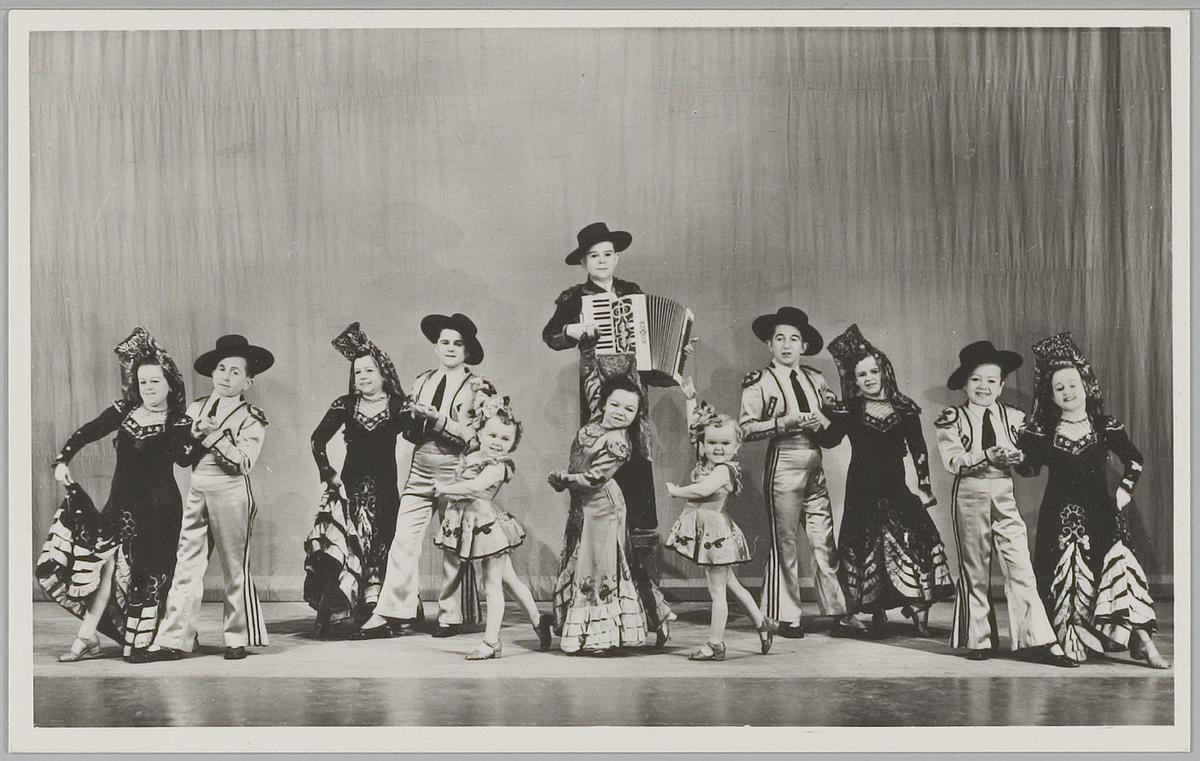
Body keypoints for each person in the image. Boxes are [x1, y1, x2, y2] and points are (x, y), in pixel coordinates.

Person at [541, 221, 675, 645]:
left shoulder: (633, 293)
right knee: (600, 476)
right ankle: (594, 605)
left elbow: (653, 351)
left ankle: (645, 607)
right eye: (594, 256)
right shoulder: (573, 299)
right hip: (600, 399)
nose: (601, 261)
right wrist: (573, 330)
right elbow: (550, 336)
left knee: (636, 481)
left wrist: (674, 356)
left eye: (608, 255)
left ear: (616, 258)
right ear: (584, 262)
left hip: (634, 398)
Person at [38, 327, 192, 663]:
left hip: (159, 511)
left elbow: (186, 458)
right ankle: (86, 637)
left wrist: (195, 435)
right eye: (142, 381)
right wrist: (63, 459)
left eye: (155, 381)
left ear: (169, 383)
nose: (148, 387)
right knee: (104, 566)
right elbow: (89, 430)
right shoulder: (125, 410)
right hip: (121, 505)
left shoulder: (178, 421)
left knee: (147, 575)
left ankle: (144, 640)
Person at [1017, 331, 1168, 668]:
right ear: (1051, 395)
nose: (1067, 391)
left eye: (1072, 384)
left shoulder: (1105, 426)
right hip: (1059, 516)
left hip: (1101, 512)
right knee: (1064, 577)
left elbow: (1134, 459)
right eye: (1059, 388)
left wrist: (1125, 488)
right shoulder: (1045, 431)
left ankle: (1143, 643)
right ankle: (1070, 639)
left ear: (1086, 385)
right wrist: (1018, 454)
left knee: (1118, 572)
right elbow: (1029, 469)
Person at [935, 340, 1076, 666]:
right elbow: (953, 460)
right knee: (974, 568)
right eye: (975, 380)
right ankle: (980, 639)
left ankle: (1038, 641)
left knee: (1020, 567)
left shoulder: (1014, 417)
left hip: (1003, 491)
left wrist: (1020, 457)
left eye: (991, 380)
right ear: (965, 384)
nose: (983, 387)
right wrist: (986, 454)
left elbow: (1030, 458)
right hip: (969, 494)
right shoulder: (952, 418)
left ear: (1000, 386)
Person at [354, 313, 486, 640]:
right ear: (435, 346)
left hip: (456, 469)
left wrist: (439, 420)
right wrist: (411, 419)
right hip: (421, 468)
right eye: (444, 342)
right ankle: (391, 612)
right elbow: (410, 432)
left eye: (458, 344)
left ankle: (451, 615)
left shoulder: (479, 387)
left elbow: (476, 439)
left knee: (453, 543)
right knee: (403, 541)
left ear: (468, 351)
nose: (450, 348)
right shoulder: (422, 381)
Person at [738, 307, 868, 639]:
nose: (787, 345)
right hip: (783, 461)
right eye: (780, 338)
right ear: (769, 344)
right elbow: (746, 428)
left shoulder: (816, 379)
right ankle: (787, 616)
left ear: (804, 346)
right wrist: (785, 423)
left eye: (794, 339)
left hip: (814, 462)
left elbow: (834, 423)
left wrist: (827, 420)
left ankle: (839, 613)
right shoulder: (759, 381)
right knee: (785, 543)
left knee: (824, 541)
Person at [145, 334, 274, 661]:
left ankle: (236, 638)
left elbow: (242, 463)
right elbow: (182, 457)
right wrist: (189, 435)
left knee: (235, 567)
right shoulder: (196, 408)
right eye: (221, 369)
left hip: (231, 492)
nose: (226, 377)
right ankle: (175, 639)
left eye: (235, 372)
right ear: (212, 373)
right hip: (197, 488)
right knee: (186, 564)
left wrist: (213, 435)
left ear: (248, 382)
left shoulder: (251, 416)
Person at [824, 324, 955, 636]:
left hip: (895, 486)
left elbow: (918, 448)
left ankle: (918, 610)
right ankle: (875, 608)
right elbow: (828, 440)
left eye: (873, 371)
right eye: (862, 375)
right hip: (860, 489)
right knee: (864, 544)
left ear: (884, 371)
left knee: (913, 539)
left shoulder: (904, 407)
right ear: (855, 380)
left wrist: (924, 486)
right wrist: (822, 411)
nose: (869, 378)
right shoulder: (850, 409)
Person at [304, 322, 413, 638]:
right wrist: (328, 474)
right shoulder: (345, 405)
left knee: (380, 546)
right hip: (351, 488)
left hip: (385, 489)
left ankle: (381, 613)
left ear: (383, 373)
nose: (363, 377)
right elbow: (317, 440)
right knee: (350, 545)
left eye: (369, 371)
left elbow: (417, 435)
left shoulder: (397, 406)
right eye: (358, 372)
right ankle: (340, 611)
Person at [432, 397, 555, 659]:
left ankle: (491, 643)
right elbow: (465, 425)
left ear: (513, 443)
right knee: (510, 580)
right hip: (470, 523)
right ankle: (539, 621)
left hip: (486, 526)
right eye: (493, 435)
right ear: (480, 433)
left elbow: (475, 487)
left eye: (506, 438)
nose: (498, 442)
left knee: (492, 584)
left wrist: (444, 488)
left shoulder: (499, 466)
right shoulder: (474, 455)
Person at [665, 377, 778, 661]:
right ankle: (762, 623)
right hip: (709, 533)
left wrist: (677, 491)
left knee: (717, 592)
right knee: (731, 584)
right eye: (712, 442)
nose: (718, 448)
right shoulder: (706, 461)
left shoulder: (724, 471)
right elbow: (696, 429)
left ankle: (715, 643)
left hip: (716, 535)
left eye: (725, 443)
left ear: (736, 446)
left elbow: (702, 490)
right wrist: (690, 399)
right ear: (704, 445)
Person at [551, 377, 649, 655]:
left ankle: (601, 637)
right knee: (581, 560)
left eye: (629, 409)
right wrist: (567, 482)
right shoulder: (591, 428)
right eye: (615, 404)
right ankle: (580, 631)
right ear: (603, 403)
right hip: (582, 503)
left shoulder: (619, 442)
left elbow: (595, 478)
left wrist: (564, 479)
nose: (620, 412)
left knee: (598, 566)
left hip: (602, 507)